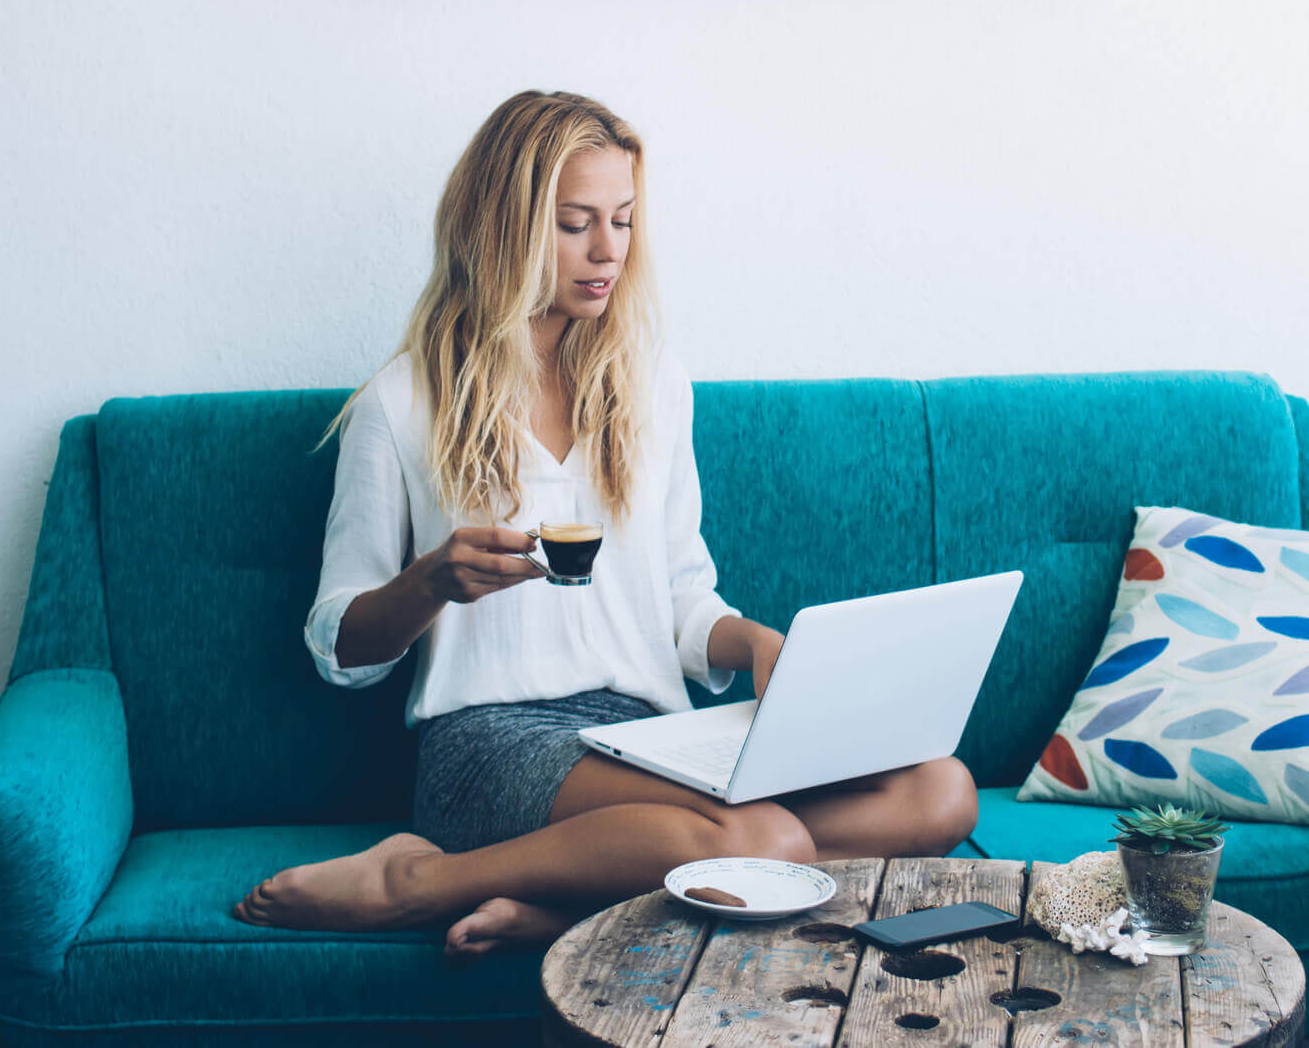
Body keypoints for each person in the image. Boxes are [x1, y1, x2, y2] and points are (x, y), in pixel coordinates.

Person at [231, 90, 978, 958]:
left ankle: (558, 909)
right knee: (765, 842)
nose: (608, 249)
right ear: (502, 229)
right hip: (492, 743)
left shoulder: (652, 383)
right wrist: (433, 580)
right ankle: (417, 880)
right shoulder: (401, 404)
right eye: (575, 223)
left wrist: (758, 643)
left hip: (649, 734)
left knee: (940, 790)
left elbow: (684, 599)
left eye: (621, 220)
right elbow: (339, 647)